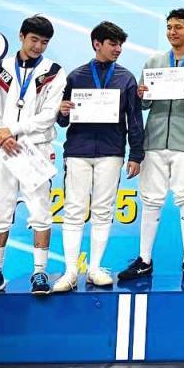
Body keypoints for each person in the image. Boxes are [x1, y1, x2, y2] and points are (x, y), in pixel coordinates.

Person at [0, 16, 66, 297]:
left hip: (35, 150)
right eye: (34, 39)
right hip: (4, 150)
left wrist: (12, 130)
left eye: (44, 42)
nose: (38, 46)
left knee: (41, 213)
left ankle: (40, 272)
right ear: (22, 36)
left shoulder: (54, 72)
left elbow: (48, 115)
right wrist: (0, 136)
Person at [53, 21, 144, 292]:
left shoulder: (126, 78)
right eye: (113, 44)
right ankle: (70, 271)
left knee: (103, 211)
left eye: (120, 45)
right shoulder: (76, 76)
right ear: (97, 44)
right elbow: (62, 120)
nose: (118, 49)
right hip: (77, 151)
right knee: (73, 210)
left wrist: (136, 154)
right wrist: (63, 112)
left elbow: (134, 120)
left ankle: (95, 268)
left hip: (111, 152)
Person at [119, 9, 184, 283]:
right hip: (154, 141)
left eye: (178, 27)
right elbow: (144, 105)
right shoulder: (154, 61)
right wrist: (141, 95)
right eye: (169, 27)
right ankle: (144, 259)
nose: (172, 32)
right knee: (150, 200)